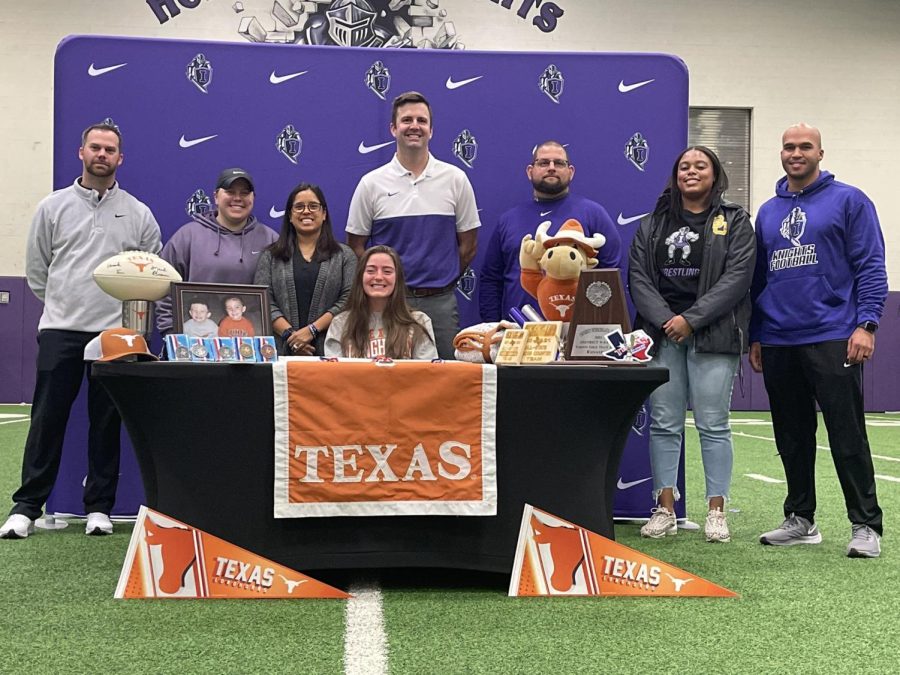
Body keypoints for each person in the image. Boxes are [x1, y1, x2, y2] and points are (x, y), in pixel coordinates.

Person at [0, 122, 161, 539]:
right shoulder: (51, 208)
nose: (102, 154)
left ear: (120, 158)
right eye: (96, 147)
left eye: (110, 149)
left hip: (113, 335)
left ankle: (99, 508)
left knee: (105, 421)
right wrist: (63, 304)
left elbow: (151, 274)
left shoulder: (138, 212)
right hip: (61, 329)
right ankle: (26, 507)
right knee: (47, 418)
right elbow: (39, 272)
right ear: (82, 152)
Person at [750, 124, 887, 558]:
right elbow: (759, 279)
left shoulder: (849, 200)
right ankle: (801, 519)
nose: (795, 153)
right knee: (791, 435)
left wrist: (867, 323)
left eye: (804, 146)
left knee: (847, 433)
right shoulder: (768, 212)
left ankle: (865, 524)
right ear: (781, 153)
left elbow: (871, 264)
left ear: (820, 153)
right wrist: (757, 334)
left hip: (833, 334)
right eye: (788, 147)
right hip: (777, 339)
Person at [628, 145, 755, 543]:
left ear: (715, 175)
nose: (692, 171)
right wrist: (669, 322)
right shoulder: (652, 224)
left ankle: (717, 510)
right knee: (664, 424)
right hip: (662, 336)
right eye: (684, 166)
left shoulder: (735, 222)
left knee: (713, 424)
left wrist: (691, 320)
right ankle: (665, 507)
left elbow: (737, 279)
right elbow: (639, 279)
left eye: (701, 166)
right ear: (675, 175)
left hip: (713, 337)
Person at [346, 91, 480, 359]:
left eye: (422, 120)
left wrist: (441, 279)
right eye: (407, 120)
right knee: (387, 378)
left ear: (431, 130)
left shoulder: (455, 179)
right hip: (389, 304)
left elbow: (468, 245)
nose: (414, 126)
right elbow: (356, 248)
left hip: (440, 302)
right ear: (394, 128)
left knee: (443, 380)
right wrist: (387, 285)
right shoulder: (371, 183)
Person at [479, 140, 623, 322]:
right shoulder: (508, 220)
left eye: (559, 163)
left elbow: (612, 275)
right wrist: (493, 325)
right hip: (518, 331)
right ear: (530, 172)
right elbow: (491, 279)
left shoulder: (594, 214)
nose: (552, 168)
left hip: (579, 333)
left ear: (570, 172)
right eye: (544, 163)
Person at [155, 167, 277, 335]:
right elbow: (163, 286)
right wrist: (171, 332)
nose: (237, 198)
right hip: (195, 341)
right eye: (230, 191)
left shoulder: (270, 240)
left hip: (251, 343)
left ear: (253, 198)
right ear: (216, 196)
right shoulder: (188, 236)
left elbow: (280, 296)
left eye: (244, 193)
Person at [254, 183, 356, 355]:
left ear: (324, 214)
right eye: (299, 207)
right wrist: (291, 337)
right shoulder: (270, 256)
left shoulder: (344, 256)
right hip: (280, 351)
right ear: (290, 216)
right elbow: (263, 300)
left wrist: (312, 331)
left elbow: (349, 300)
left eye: (313, 206)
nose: (306, 211)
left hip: (331, 350)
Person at [325, 245, 438, 360]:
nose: (379, 277)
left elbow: (427, 374)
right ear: (360, 277)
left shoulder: (419, 322)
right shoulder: (340, 324)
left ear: (397, 279)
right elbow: (334, 375)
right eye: (371, 271)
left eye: (387, 271)